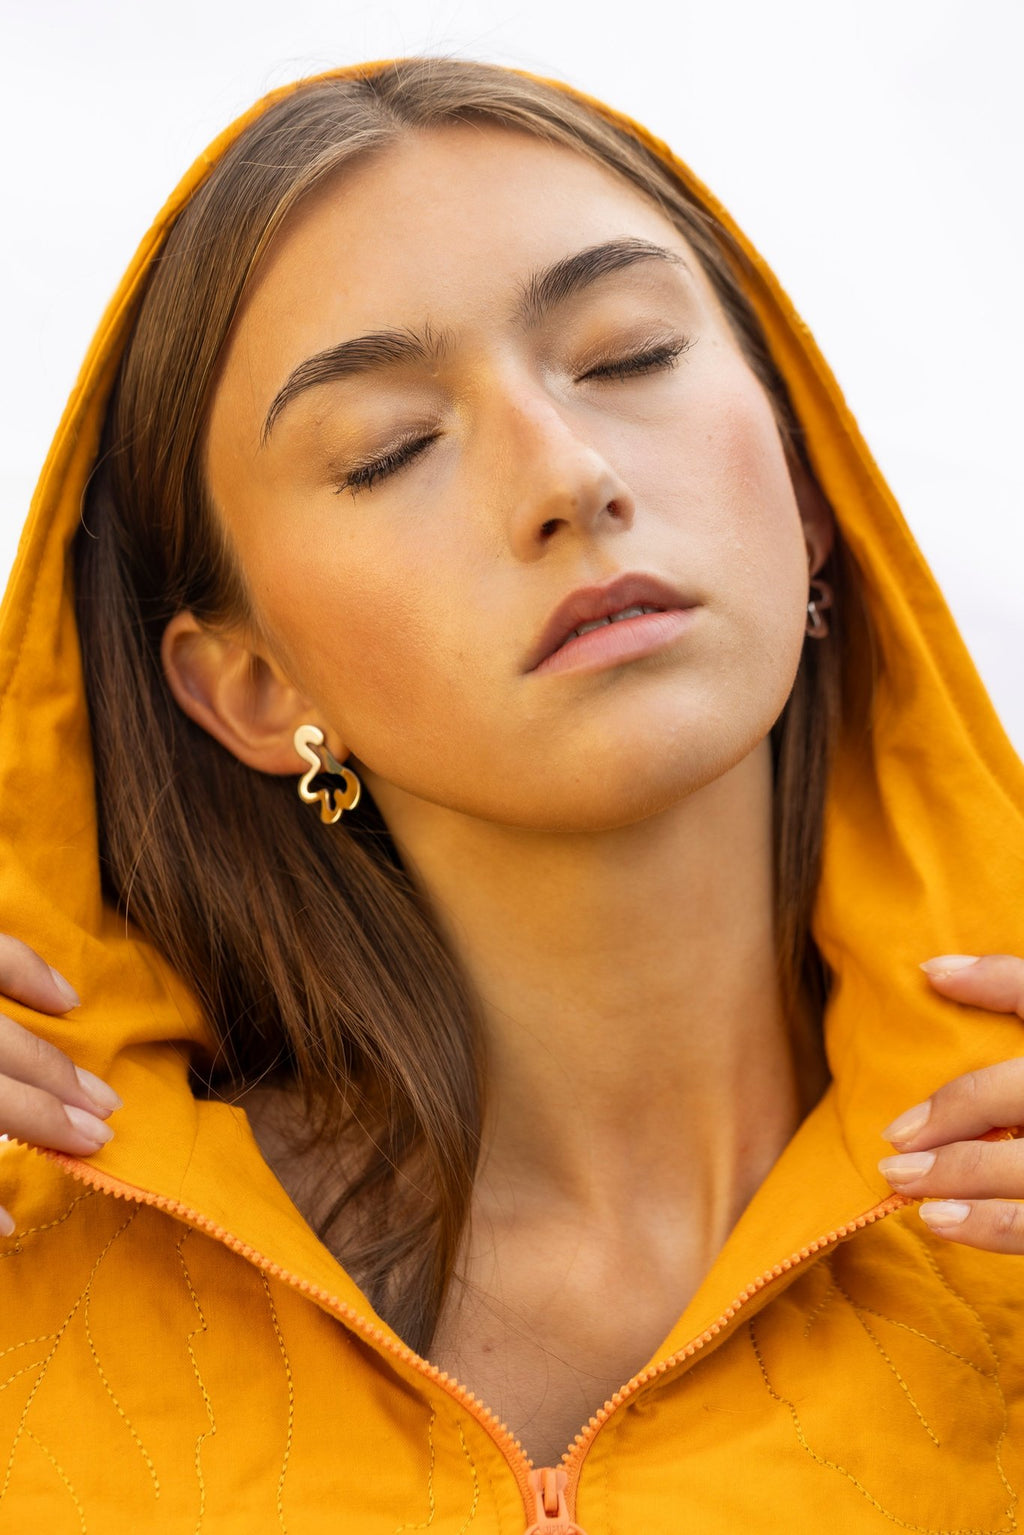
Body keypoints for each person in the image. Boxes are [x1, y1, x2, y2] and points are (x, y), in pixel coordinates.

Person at [0, 56, 1022, 1532]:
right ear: (252, 690)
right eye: (390, 450)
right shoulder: (37, 1256)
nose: (571, 472)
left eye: (626, 357)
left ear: (810, 497)